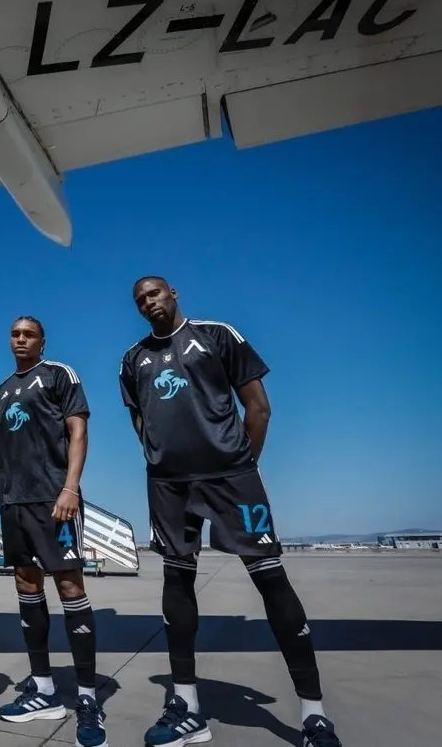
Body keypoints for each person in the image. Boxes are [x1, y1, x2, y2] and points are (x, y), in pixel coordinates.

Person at [119, 276, 342, 747]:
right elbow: (140, 417)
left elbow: (258, 407)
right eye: (140, 299)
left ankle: (314, 715)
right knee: (176, 581)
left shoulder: (217, 335)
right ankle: (186, 707)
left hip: (230, 476)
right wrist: (158, 455)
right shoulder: (133, 358)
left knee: (270, 579)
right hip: (169, 485)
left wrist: (243, 463)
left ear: (173, 292)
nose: (148, 302)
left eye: (154, 293)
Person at [0, 316, 108, 747]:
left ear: (42, 341)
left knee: (70, 587)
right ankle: (44, 689)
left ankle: (88, 698)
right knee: (26, 586)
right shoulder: (1, 391)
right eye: (15, 334)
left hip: (54, 499)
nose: (20, 339)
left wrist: (70, 487)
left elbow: (78, 431)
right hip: (14, 502)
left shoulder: (58, 375)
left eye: (28, 334)